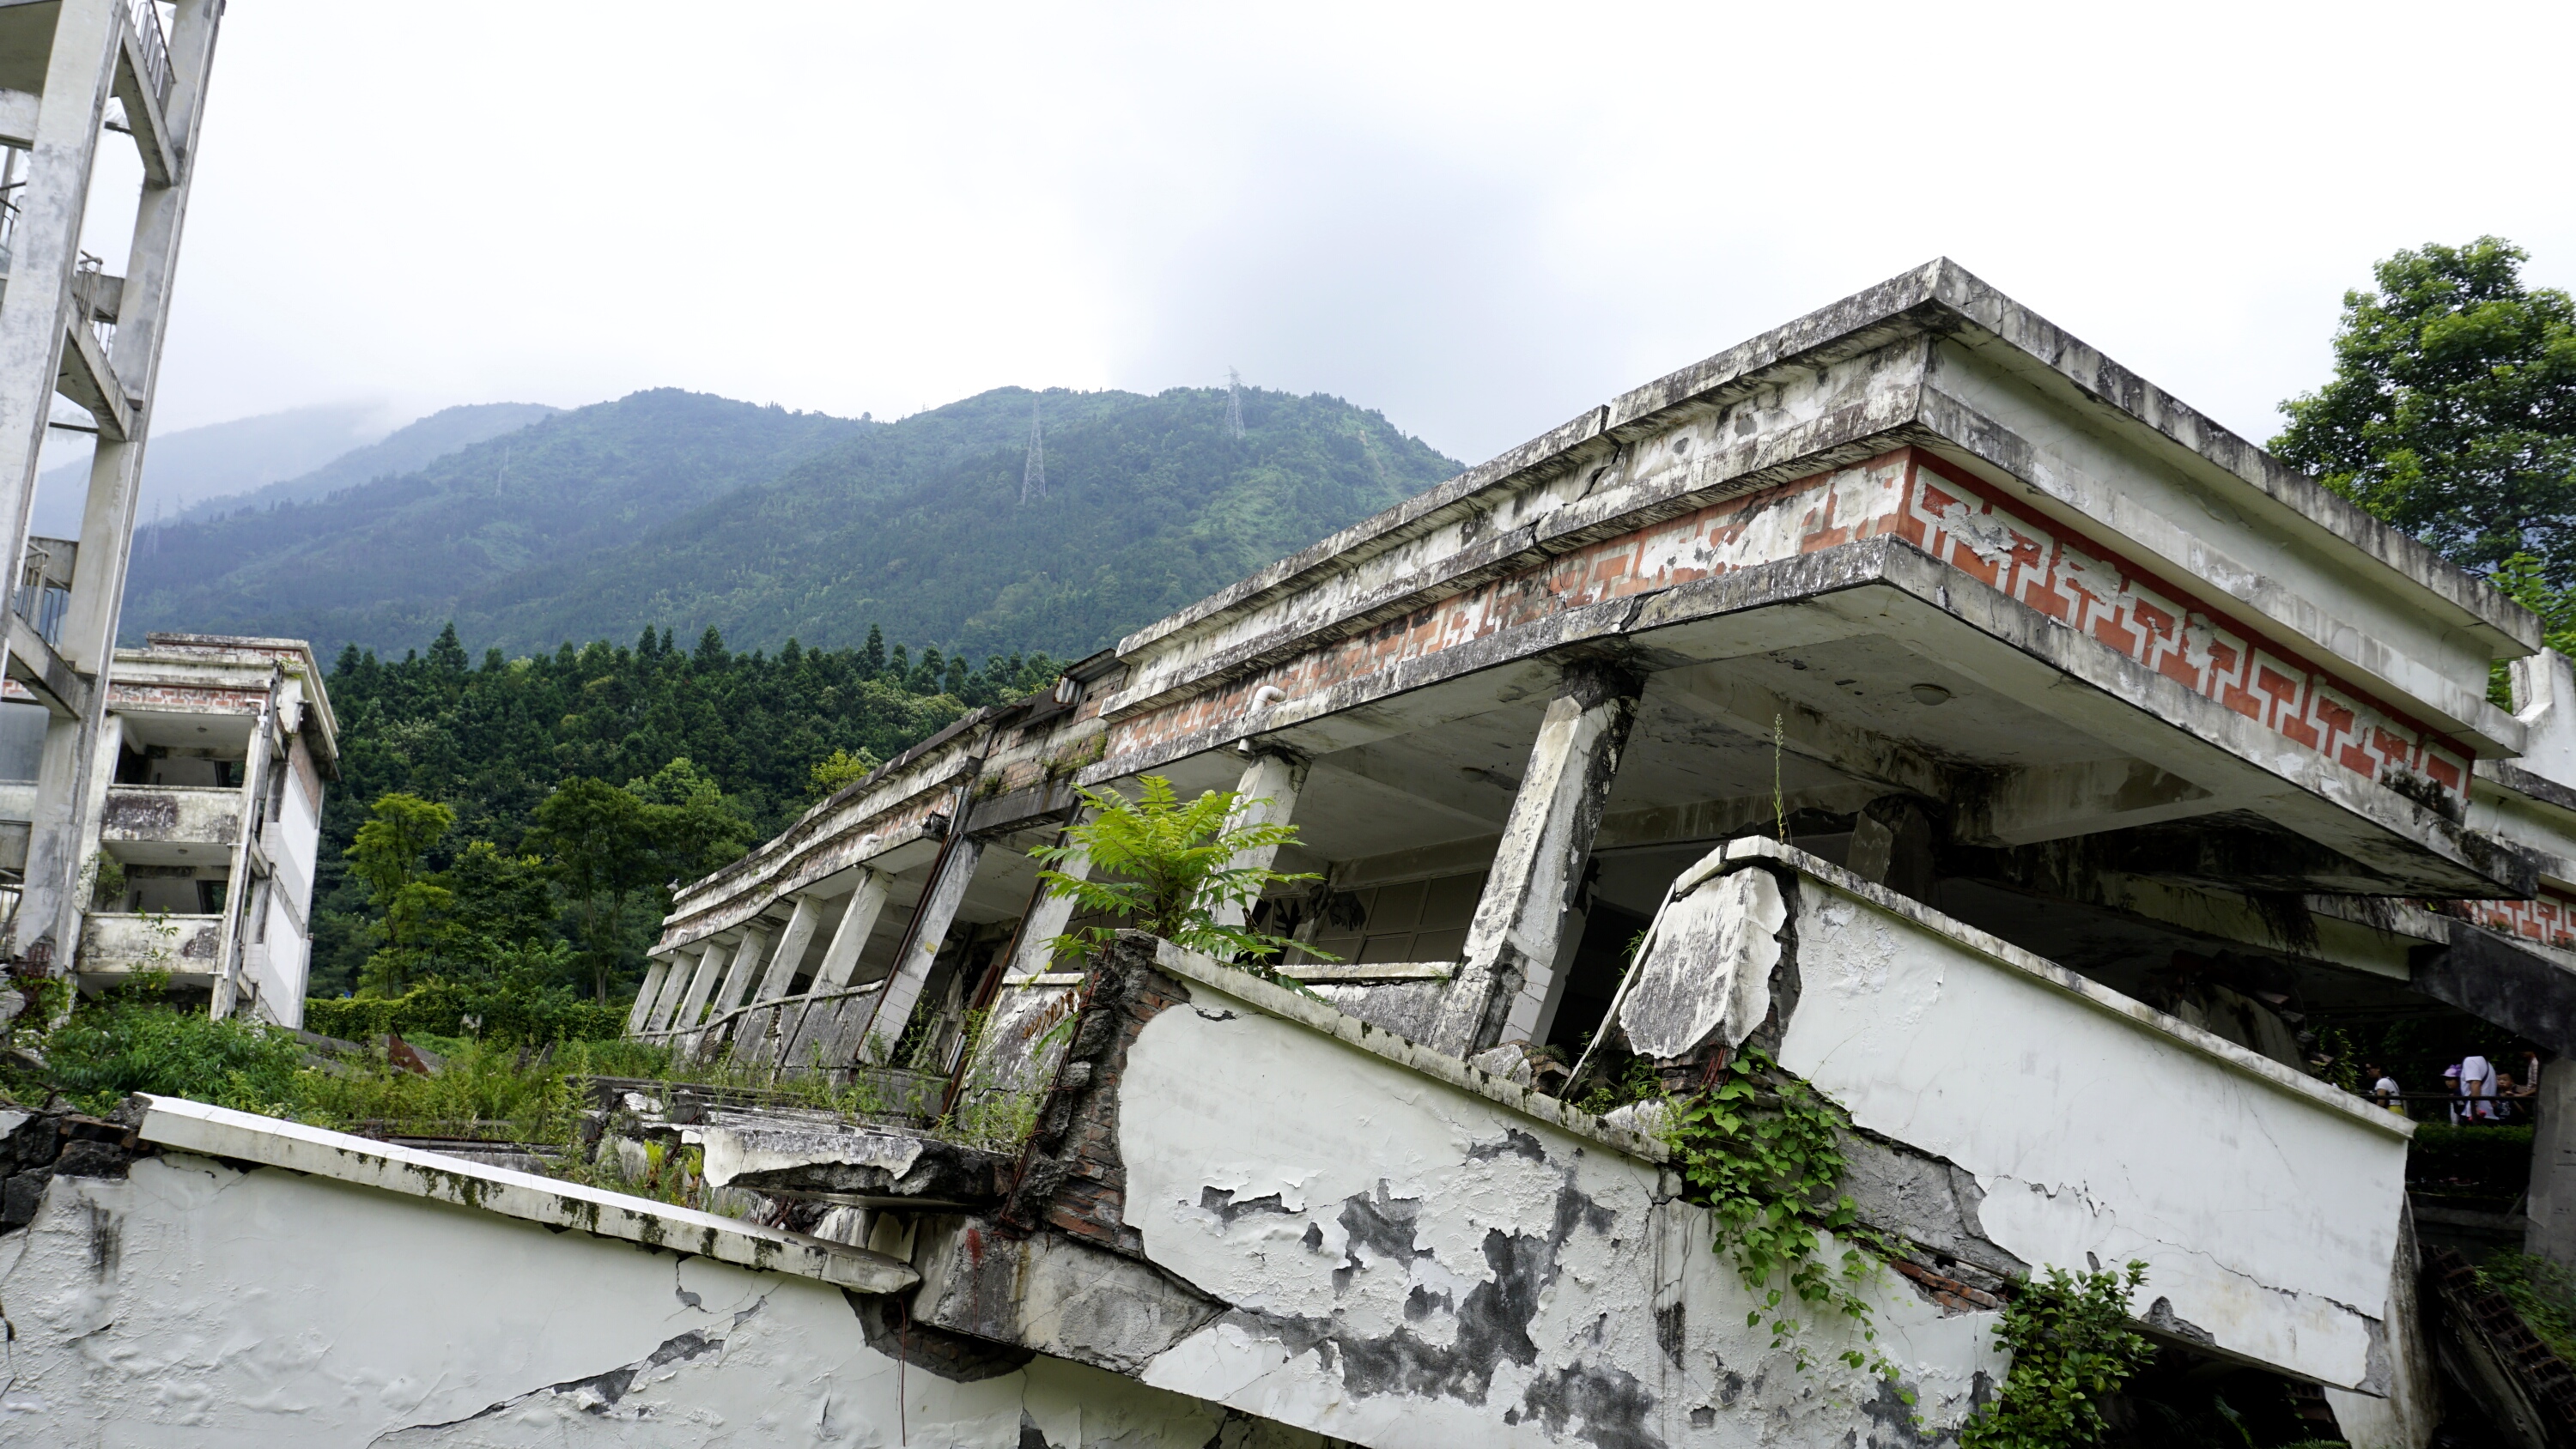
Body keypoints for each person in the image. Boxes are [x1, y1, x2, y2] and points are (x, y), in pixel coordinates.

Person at [2462, 1054, 2499, 1123]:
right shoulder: (2486, 1063)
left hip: (2477, 1112)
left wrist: (2474, 1106)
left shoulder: (2471, 1060)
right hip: (2489, 1110)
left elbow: (2476, 1083)